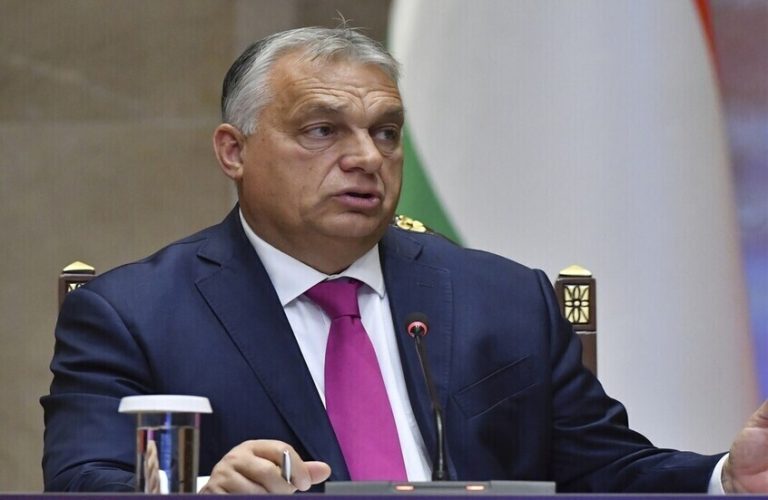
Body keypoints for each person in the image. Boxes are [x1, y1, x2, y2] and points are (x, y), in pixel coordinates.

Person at [41, 26, 768, 494]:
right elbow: (81, 481)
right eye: (323, 130)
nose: (366, 157)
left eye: (386, 132)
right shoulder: (135, 315)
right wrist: (205, 490)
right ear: (234, 151)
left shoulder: (504, 299)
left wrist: (725, 478)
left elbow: (602, 469)